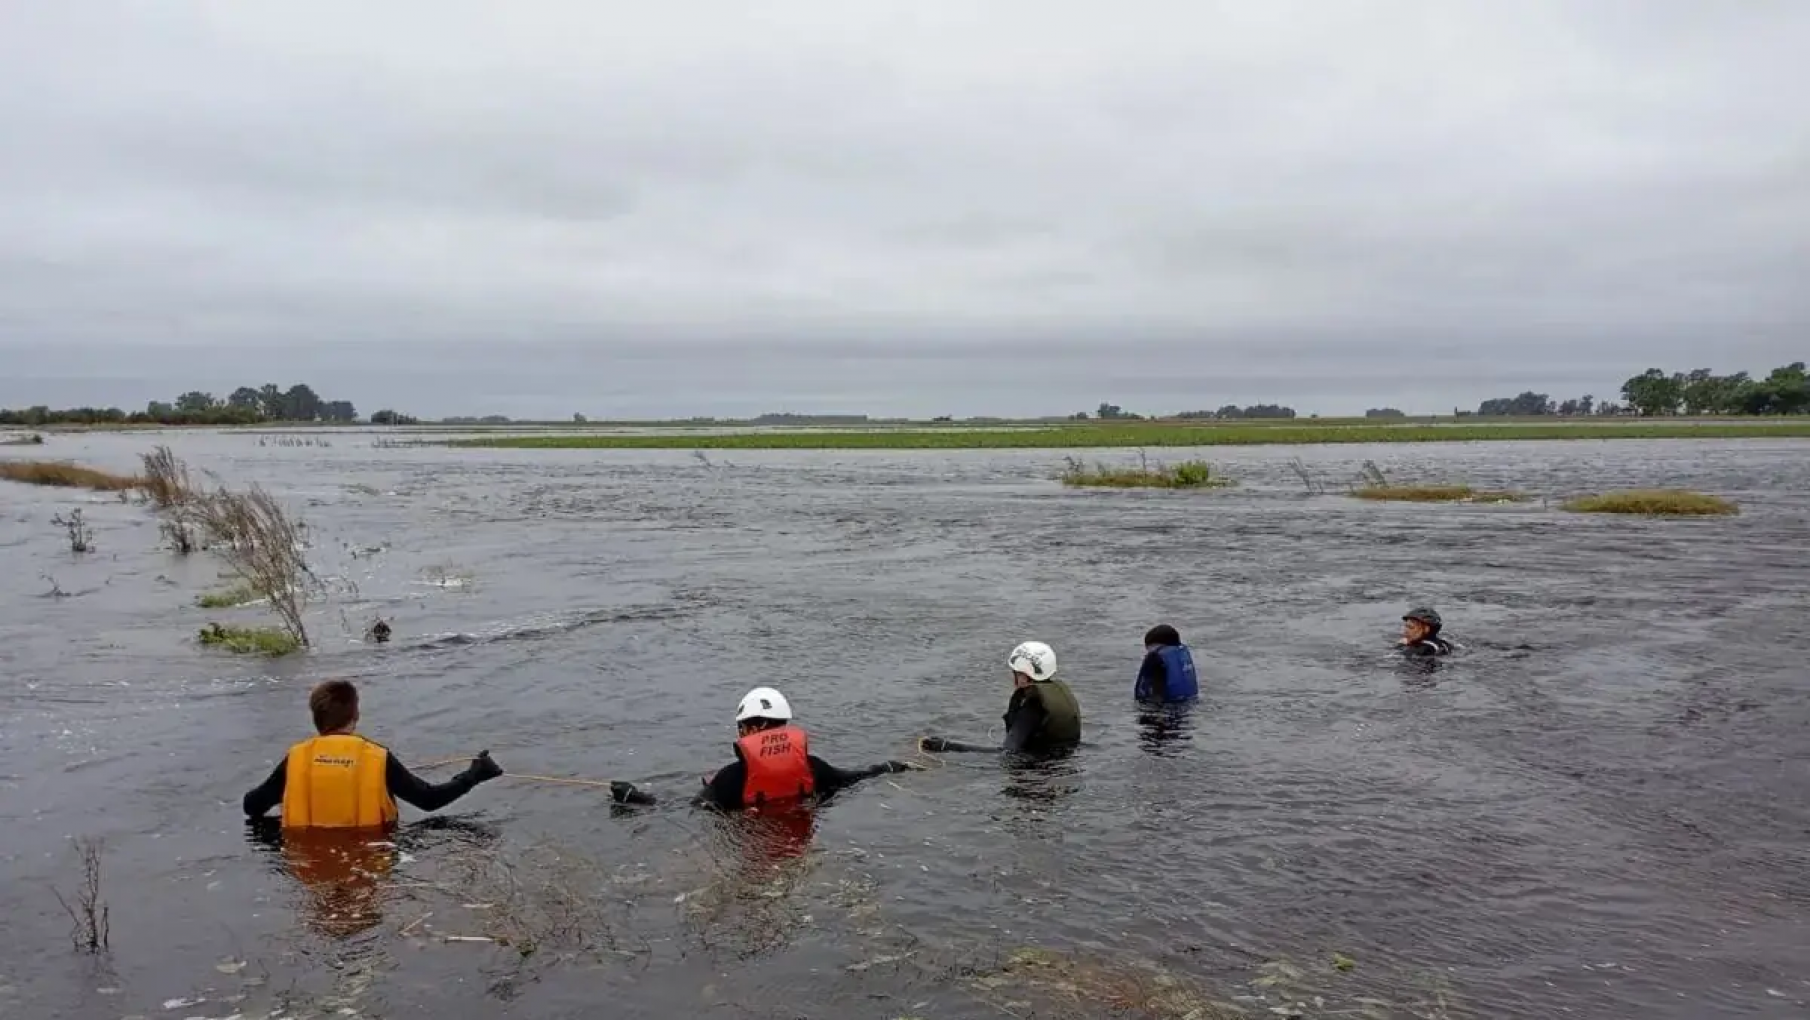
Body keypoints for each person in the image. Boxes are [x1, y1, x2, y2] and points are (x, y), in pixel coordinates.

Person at [243, 679, 503, 828]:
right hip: (373, 853)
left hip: (307, 859)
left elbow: (252, 807)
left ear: (315, 717)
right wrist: (474, 775)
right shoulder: (377, 757)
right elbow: (428, 800)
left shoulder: (296, 758)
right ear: (355, 715)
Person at [609, 686, 918, 810]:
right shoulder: (815, 768)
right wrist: (887, 767)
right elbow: (856, 778)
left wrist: (632, 797)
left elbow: (675, 809)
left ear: (751, 729)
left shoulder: (729, 779)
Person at [919, 640, 1082, 755]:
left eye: (1016, 673)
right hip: (1064, 763)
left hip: (1037, 770)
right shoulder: (1058, 693)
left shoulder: (1032, 709)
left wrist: (946, 746)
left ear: (1024, 676)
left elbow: (1006, 753)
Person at [1134, 624, 1199, 703]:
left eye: (1149, 648)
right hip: (1188, 703)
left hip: (1161, 708)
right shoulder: (1180, 655)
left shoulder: (1156, 658)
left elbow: (1157, 693)